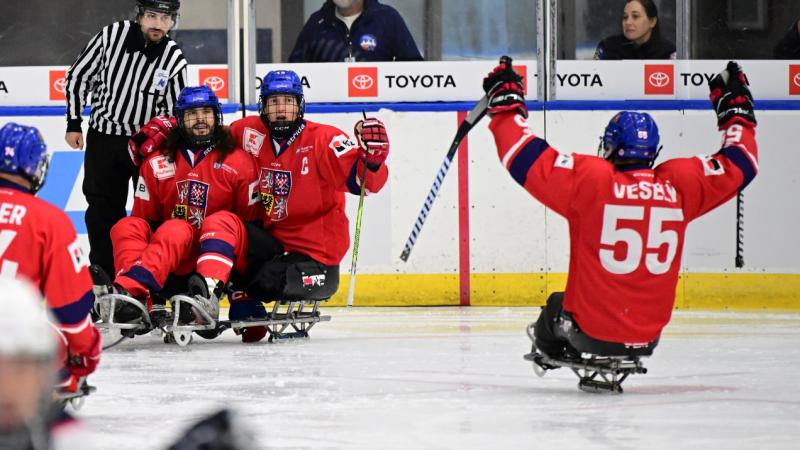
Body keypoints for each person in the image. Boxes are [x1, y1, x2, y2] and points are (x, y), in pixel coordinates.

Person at [481, 59, 757, 360]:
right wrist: (736, 113)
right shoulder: (680, 187)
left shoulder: (592, 183)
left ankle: (550, 355)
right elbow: (743, 161)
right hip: (649, 335)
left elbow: (522, 155)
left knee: (554, 308)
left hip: (590, 331)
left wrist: (506, 104)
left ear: (610, 145)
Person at [92, 86, 259, 330]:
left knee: (180, 227)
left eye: (206, 112)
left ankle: (194, 295)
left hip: (217, 260)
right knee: (127, 225)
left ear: (217, 116)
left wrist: (243, 293)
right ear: (179, 120)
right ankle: (134, 300)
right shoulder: (156, 162)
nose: (200, 119)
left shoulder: (239, 161)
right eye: (192, 114)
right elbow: (145, 221)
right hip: (170, 261)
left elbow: (248, 228)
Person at [65, 0, 187, 280]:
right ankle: (105, 278)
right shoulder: (111, 36)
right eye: (152, 16)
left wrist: (165, 146)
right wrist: (74, 122)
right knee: (102, 211)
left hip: (147, 146)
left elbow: (174, 114)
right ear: (140, 16)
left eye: (165, 18)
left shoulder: (174, 59)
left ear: (173, 21)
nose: (158, 24)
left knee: (154, 214)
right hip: (104, 138)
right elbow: (78, 77)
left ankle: (150, 276)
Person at [0, 123, 102, 396]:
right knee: (54, 347)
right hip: (13, 353)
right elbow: (71, 309)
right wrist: (86, 353)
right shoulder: (49, 220)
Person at [289, 0, 423, 62]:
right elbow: (296, 71)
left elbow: (413, 67)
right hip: (330, 107)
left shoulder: (387, 18)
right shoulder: (317, 22)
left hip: (378, 106)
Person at [593, 0, 676, 60]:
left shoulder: (667, 52)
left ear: (652, 21)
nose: (628, 22)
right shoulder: (608, 47)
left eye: (635, 16)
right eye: (625, 17)